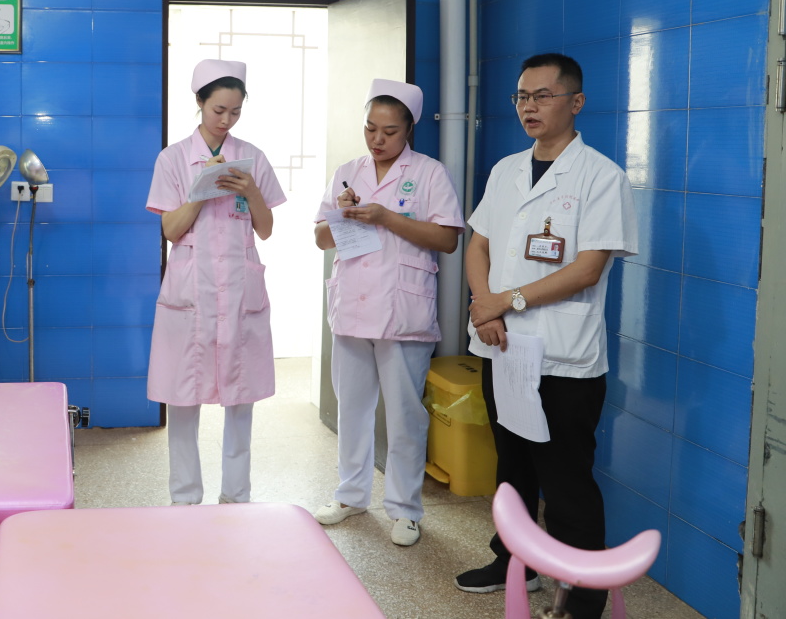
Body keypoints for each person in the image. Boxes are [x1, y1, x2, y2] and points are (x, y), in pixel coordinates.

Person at [454, 53, 637, 619]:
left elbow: (587, 269)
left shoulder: (602, 177)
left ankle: (584, 595)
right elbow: (479, 244)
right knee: (511, 466)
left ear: (575, 102)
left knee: (565, 480)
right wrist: (485, 308)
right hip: (501, 345)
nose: (528, 107)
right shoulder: (505, 169)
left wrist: (504, 301)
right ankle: (515, 561)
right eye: (521, 97)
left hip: (562, 358)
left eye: (541, 96)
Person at [311, 79, 464, 546]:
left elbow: (448, 239)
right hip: (352, 307)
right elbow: (320, 238)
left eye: (390, 131)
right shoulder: (347, 171)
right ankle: (351, 495)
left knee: (403, 416)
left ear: (408, 130)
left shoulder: (430, 173)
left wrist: (386, 217)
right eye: (370, 128)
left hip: (402, 311)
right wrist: (340, 216)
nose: (377, 140)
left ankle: (404, 509)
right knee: (352, 409)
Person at [146, 58, 286, 505]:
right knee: (182, 399)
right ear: (200, 103)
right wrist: (202, 191)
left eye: (235, 112)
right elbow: (170, 230)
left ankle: (236, 496)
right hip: (190, 293)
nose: (226, 120)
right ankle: (186, 498)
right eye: (218, 110)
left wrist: (250, 190)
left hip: (239, 292)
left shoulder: (252, 158)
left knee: (240, 400)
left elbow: (265, 229)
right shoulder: (173, 159)